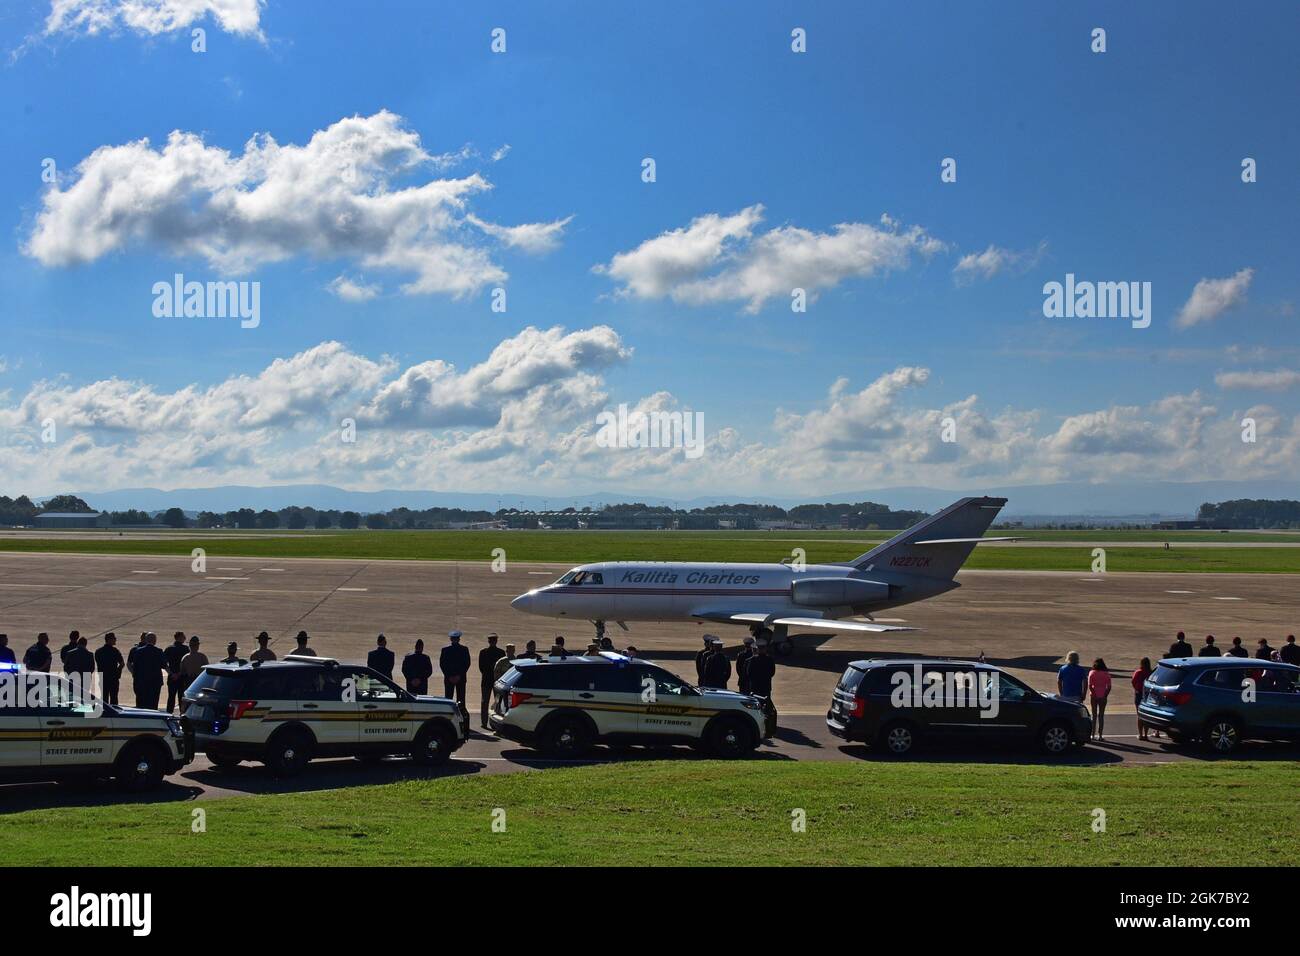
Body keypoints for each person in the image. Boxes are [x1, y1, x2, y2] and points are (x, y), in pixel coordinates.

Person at [130, 632, 166, 710]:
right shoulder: (159, 651)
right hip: (155, 682)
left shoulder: (138, 651)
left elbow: (134, 666)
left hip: (141, 681)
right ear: (154, 640)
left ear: (146, 640)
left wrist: (135, 676)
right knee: (153, 704)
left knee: (140, 704)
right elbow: (164, 665)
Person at [478, 633, 505, 728]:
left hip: (486, 680)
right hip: (497, 681)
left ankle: (484, 722)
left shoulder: (483, 652)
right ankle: (496, 723)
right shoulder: (501, 653)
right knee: (497, 703)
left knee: (485, 702)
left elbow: (481, 667)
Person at [440, 631, 471, 714]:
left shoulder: (445, 650)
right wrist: (458, 676)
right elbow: (466, 664)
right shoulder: (464, 649)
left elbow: (443, 665)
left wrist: (450, 676)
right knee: (459, 699)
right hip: (459, 678)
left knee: (450, 699)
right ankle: (460, 716)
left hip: (450, 678)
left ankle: (449, 716)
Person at [177, 636, 209, 712]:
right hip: (199, 682)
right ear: (197, 646)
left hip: (189, 681)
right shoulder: (202, 656)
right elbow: (206, 671)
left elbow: (182, 671)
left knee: (187, 699)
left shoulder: (185, 657)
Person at [95, 633, 124, 706]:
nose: (115, 640)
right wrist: (118, 672)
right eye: (114, 638)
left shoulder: (98, 651)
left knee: (104, 698)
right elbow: (122, 663)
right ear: (109, 640)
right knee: (114, 698)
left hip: (103, 677)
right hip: (113, 678)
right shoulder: (115, 651)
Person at [163, 631, 189, 713]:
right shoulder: (185, 649)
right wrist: (179, 673)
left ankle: (169, 713)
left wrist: (171, 674)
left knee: (171, 697)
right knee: (181, 697)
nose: (185, 638)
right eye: (183, 636)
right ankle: (182, 714)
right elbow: (186, 664)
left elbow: (164, 664)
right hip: (182, 677)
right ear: (179, 637)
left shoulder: (169, 649)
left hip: (172, 677)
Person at [1131, 657, 1154, 741]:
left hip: (1139, 693)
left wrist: (1136, 688)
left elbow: (1133, 681)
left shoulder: (1138, 672)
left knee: (1139, 714)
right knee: (1146, 714)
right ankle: (1146, 734)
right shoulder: (1151, 672)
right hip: (1148, 694)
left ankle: (1140, 734)